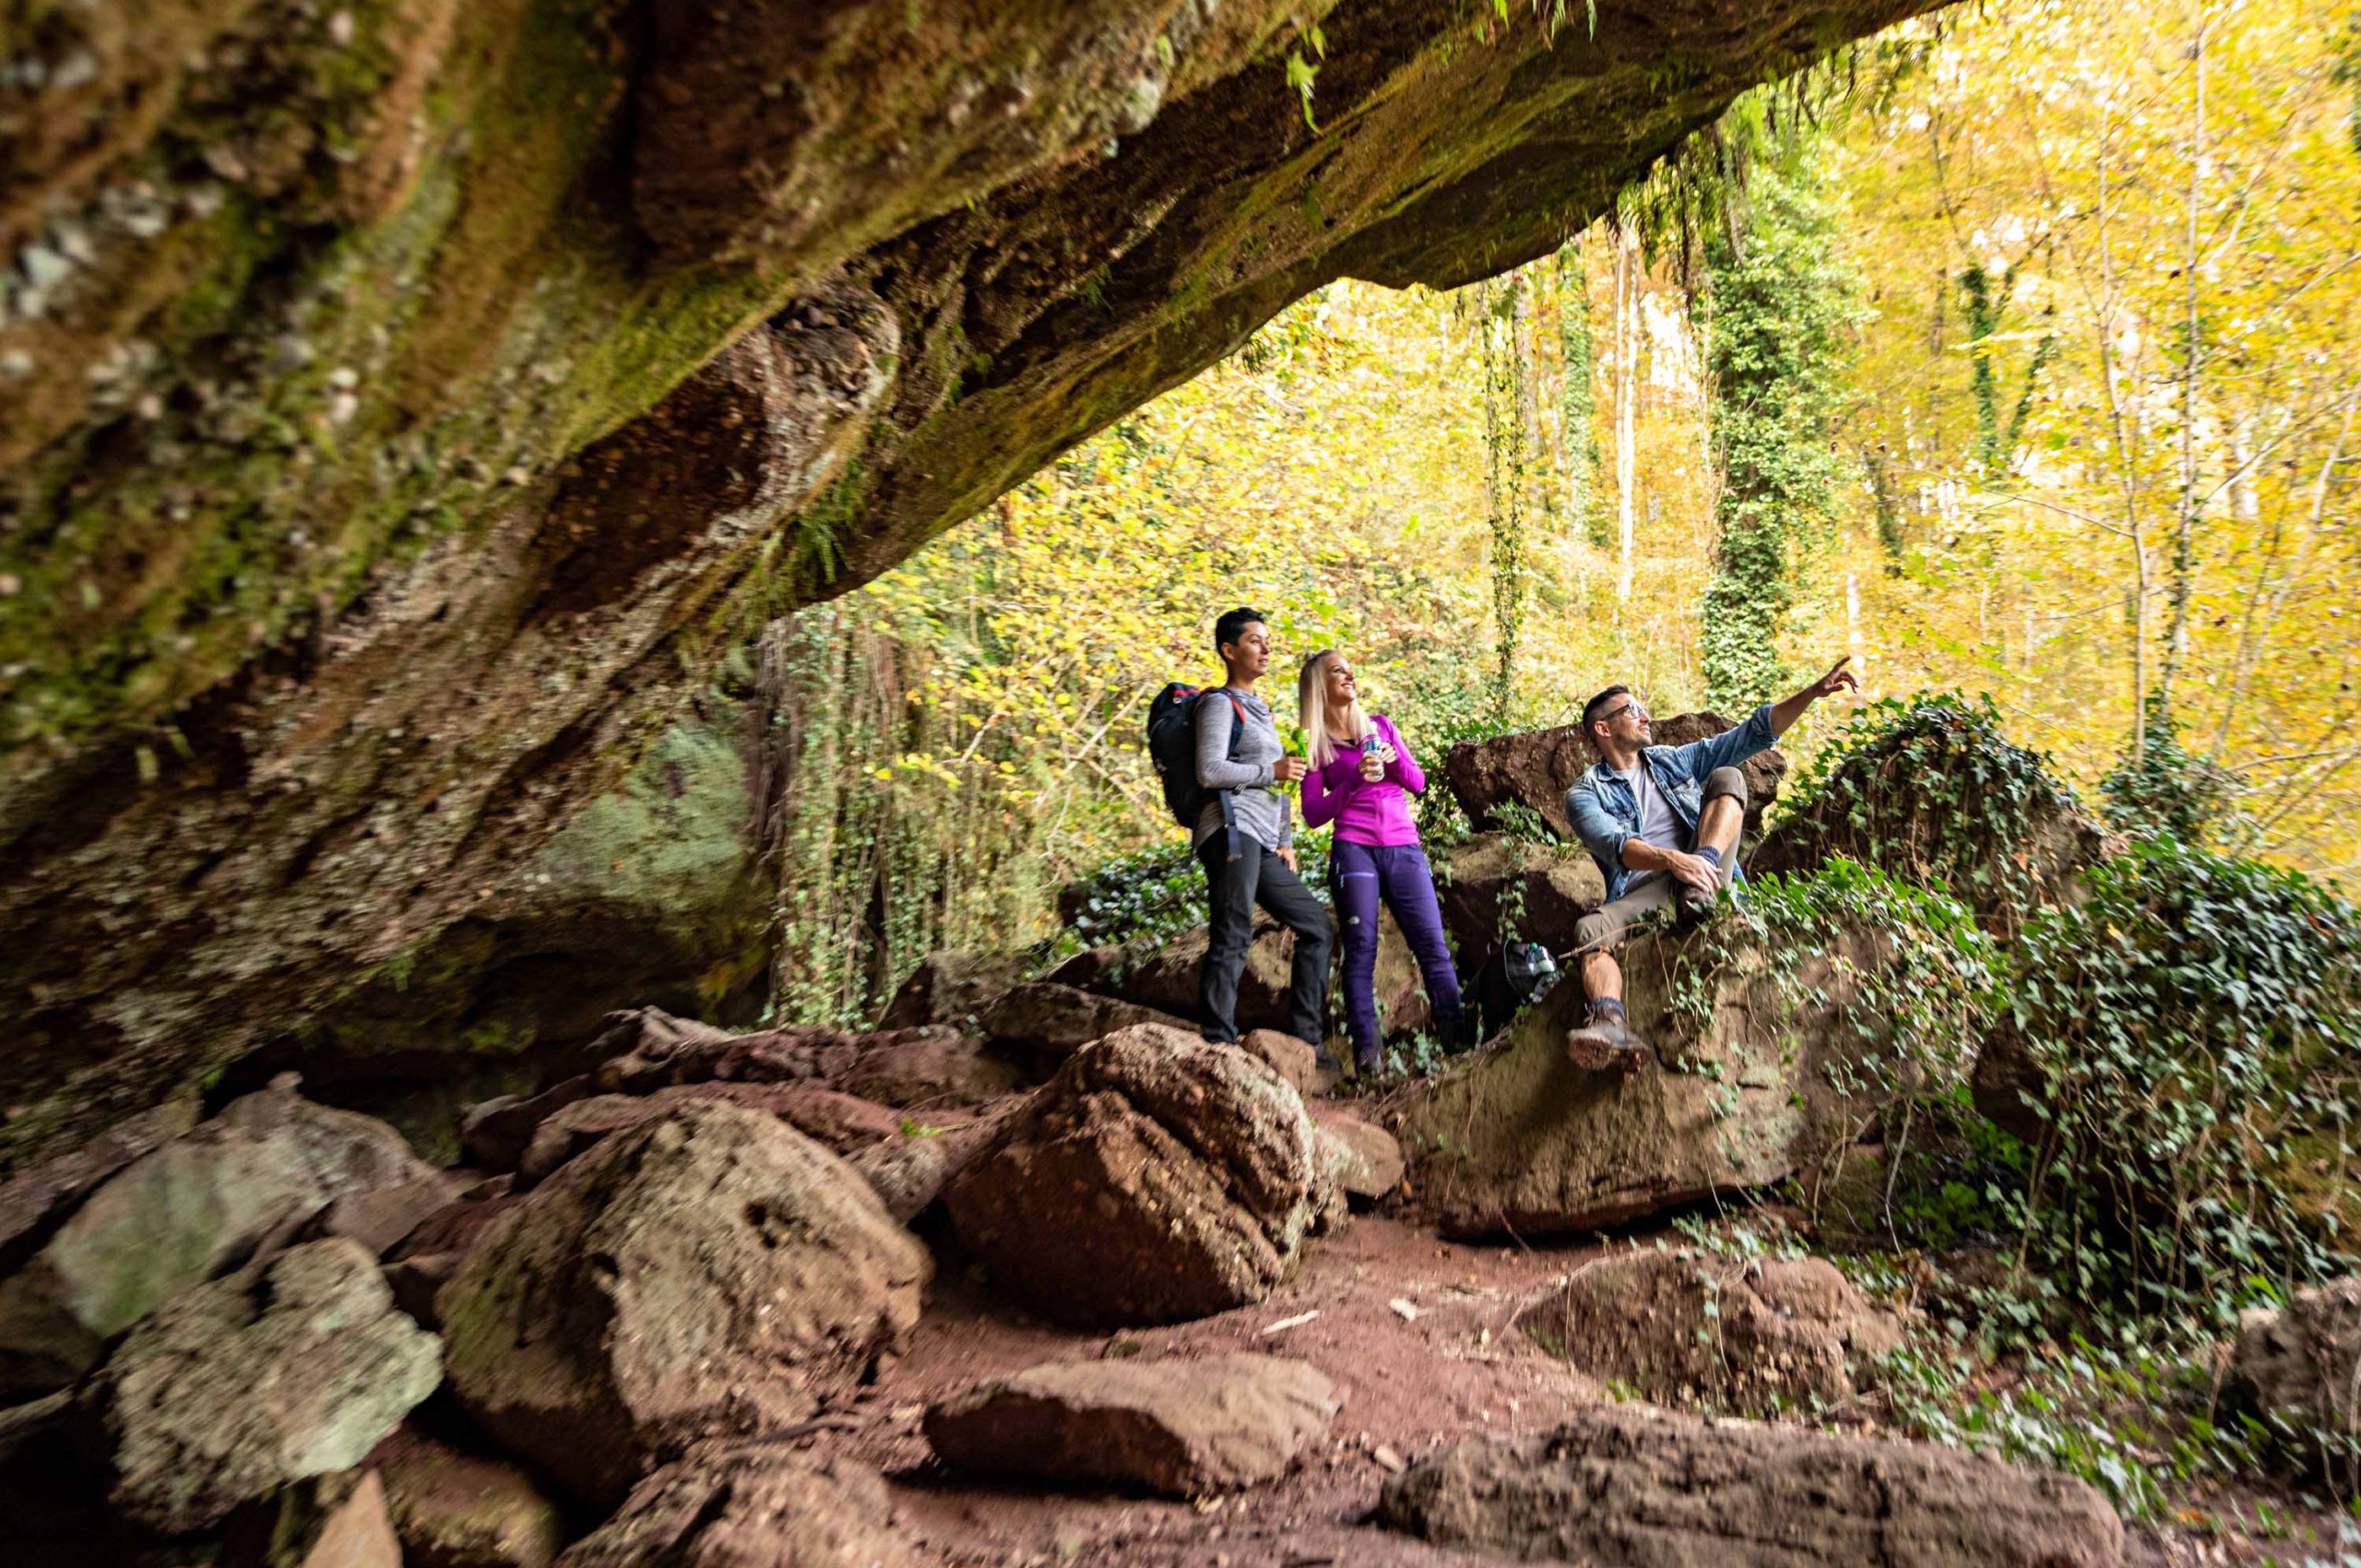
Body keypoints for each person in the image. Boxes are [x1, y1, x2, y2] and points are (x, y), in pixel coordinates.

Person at [1562, 658, 1860, 1067]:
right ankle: (1610, 1024)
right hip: (1652, 890)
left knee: (1729, 777)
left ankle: (1699, 889)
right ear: (1604, 728)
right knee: (1588, 929)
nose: (1645, 715)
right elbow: (1616, 844)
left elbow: (1751, 735)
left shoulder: (1669, 761)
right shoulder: (1584, 794)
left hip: (1708, 869)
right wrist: (1674, 862)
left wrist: (1812, 692)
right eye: (1632, 710)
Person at [1297, 649, 1469, 1075]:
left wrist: (1393, 761)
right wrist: (1353, 779)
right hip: (1353, 847)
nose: (1349, 674)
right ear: (1320, 686)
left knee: (1432, 946)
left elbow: (1420, 783)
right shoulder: (1316, 745)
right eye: (1337, 670)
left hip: (1403, 845)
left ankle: (1458, 1043)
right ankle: (1368, 1057)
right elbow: (1313, 813)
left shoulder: (1381, 728)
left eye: (1349, 668)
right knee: (1360, 951)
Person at [1193, 608, 1333, 1048]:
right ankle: (1218, 1040)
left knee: (1315, 927)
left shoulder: (1263, 711)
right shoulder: (1219, 704)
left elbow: (1283, 779)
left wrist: (1285, 842)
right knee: (1233, 932)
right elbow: (1209, 771)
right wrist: (1268, 771)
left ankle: (1306, 1044)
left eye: (1267, 640)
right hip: (1230, 832)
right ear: (1229, 651)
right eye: (1255, 640)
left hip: (1263, 839)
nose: (1266, 648)